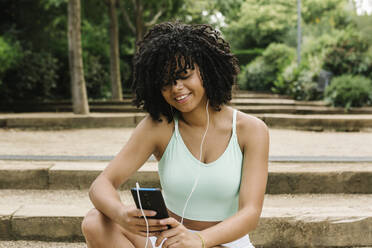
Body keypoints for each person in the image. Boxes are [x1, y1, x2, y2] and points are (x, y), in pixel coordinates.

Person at [81, 21, 269, 248]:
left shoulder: (251, 130)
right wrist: (122, 214)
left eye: (184, 75)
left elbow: (251, 212)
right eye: (166, 82)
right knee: (95, 221)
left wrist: (198, 240)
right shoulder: (159, 126)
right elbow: (101, 184)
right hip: (167, 239)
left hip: (221, 242)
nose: (176, 88)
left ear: (206, 72)